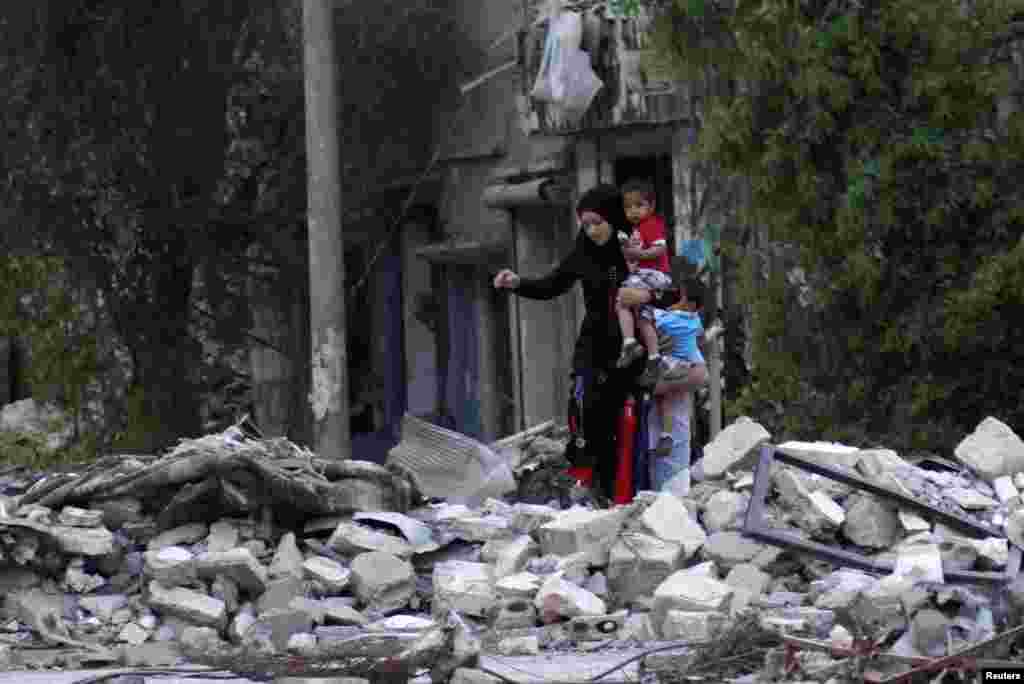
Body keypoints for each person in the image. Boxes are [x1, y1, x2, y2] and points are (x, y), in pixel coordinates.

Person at [492, 184, 678, 502]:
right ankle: (591, 488)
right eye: (586, 224)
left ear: (613, 218)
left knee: (627, 422)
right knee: (584, 409)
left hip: (631, 348)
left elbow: (674, 291)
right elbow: (554, 283)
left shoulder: (636, 249)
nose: (591, 231)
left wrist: (646, 295)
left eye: (597, 223)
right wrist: (517, 283)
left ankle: (630, 496)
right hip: (593, 345)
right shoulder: (583, 252)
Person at [615, 179, 671, 382]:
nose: (633, 211)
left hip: (654, 275)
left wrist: (636, 253)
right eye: (628, 207)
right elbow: (631, 257)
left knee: (621, 301)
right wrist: (627, 250)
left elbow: (660, 249)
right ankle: (654, 355)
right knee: (642, 316)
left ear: (651, 206)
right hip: (647, 277)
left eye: (639, 205)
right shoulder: (634, 230)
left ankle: (629, 341)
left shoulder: (652, 224)